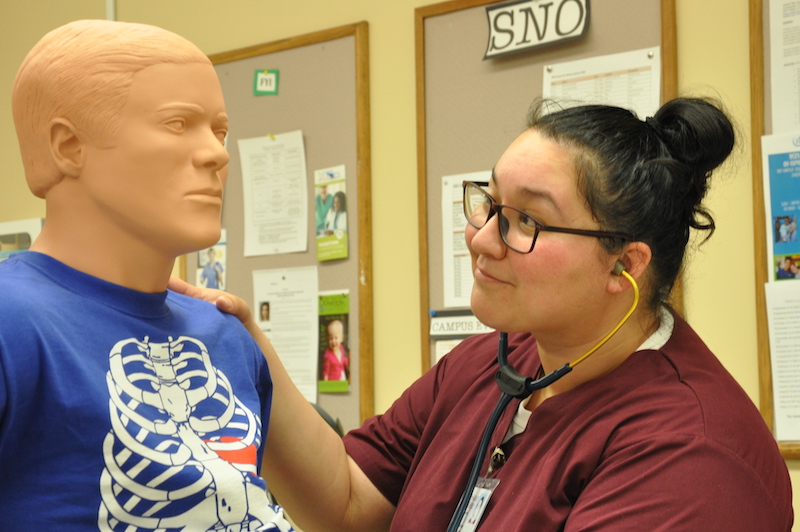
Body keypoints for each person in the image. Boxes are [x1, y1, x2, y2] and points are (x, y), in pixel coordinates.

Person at [172, 97, 794, 531]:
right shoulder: (487, 363)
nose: (480, 239)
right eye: (490, 203)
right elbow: (349, 503)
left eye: (527, 220)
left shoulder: (694, 455)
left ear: (623, 267)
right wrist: (246, 345)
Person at [0, 20, 293, 531]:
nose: (218, 154)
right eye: (179, 124)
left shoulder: (226, 336)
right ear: (69, 147)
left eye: (219, 130)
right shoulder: (11, 324)